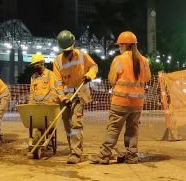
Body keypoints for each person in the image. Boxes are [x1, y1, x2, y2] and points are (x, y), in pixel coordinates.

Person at [90, 31, 151, 165]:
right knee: (132, 130)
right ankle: (131, 156)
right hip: (137, 103)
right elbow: (147, 78)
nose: (119, 47)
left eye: (120, 45)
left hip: (120, 101)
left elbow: (112, 80)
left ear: (124, 45)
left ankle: (104, 155)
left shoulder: (119, 60)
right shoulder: (144, 60)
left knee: (113, 129)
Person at [53, 30, 98, 164]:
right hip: (66, 96)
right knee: (68, 125)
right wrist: (63, 98)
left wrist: (90, 75)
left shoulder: (82, 55)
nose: (67, 53)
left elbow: (94, 66)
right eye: (65, 51)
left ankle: (76, 153)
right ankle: (72, 148)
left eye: (69, 50)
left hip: (79, 93)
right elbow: (57, 82)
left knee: (76, 123)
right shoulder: (57, 61)